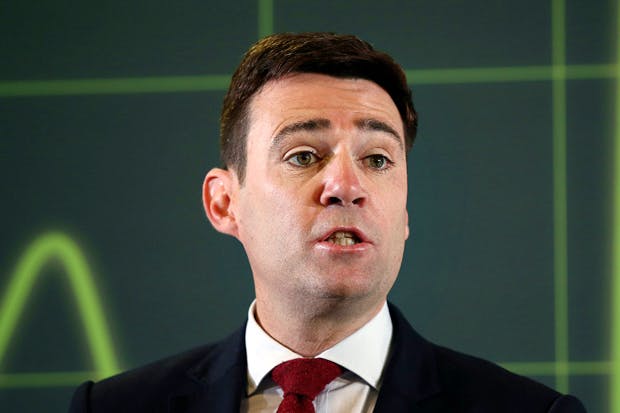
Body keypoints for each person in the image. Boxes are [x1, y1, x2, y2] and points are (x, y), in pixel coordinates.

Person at [69, 32, 586, 413]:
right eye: (303, 155)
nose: (345, 184)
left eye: (377, 159)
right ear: (225, 203)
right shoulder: (113, 409)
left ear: (404, 213)